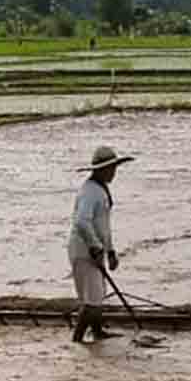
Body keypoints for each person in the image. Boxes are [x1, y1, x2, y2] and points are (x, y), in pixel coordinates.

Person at [69, 144, 133, 344]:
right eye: (111, 168)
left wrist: (111, 251)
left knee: (97, 295)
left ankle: (97, 332)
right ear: (102, 170)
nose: (114, 172)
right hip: (83, 250)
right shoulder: (90, 192)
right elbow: (81, 221)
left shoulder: (101, 190)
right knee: (92, 300)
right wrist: (95, 246)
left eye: (115, 168)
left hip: (93, 250)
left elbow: (103, 226)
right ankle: (77, 339)